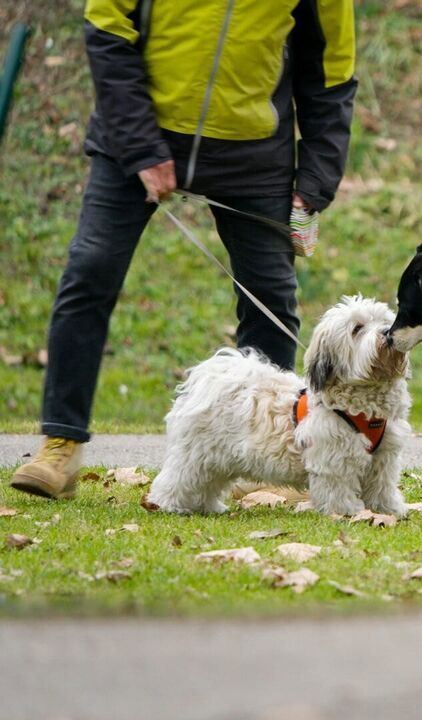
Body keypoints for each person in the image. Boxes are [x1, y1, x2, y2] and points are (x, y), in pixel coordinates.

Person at [10, 0, 357, 500]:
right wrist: (141, 146)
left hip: (253, 150)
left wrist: (317, 177)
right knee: (90, 270)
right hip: (139, 131)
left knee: (270, 297)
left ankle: (268, 464)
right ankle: (59, 444)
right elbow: (107, 26)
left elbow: (332, 70)